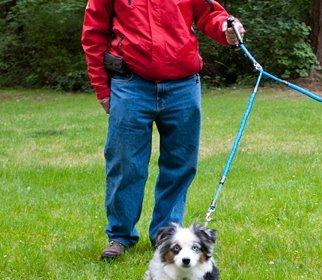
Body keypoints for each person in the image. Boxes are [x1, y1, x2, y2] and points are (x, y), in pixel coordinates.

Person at [81, 0, 245, 260]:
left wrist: (227, 27)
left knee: (180, 164)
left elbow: (210, 15)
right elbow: (93, 34)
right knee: (125, 164)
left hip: (183, 86)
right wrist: (102, 88)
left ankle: (165, 236)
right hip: (130, 84)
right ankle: (120, 237)